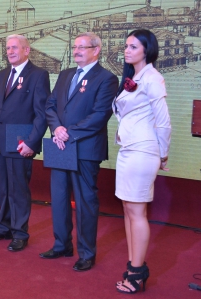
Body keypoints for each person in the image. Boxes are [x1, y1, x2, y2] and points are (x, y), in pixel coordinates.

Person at [41, 32, 118, 272]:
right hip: (60, 145)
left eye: (82, 47)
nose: (76, 51)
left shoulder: (107, 78)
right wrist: (57, 129)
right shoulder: (65, 74)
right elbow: (50, 105)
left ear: (96, 50)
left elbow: (100, 115)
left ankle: (86, 253)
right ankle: (61, 244)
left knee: (85, 202)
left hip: (85, 148)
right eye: (75, 47)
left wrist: (69, 133)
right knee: (59, 198)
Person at [114, 29, 170, 293]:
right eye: (126, 46)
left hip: (143, 150)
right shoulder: (133, 77)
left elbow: (163, 121)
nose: (127, 50)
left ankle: (137, 274)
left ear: (147, 50)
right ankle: (132, 267)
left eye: (133, 46)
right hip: (128, 150)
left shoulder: (153, 78)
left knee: (136, 212)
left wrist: (163, 154)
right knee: (128, 209)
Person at [0, 35, 50, 251]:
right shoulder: (3, 74)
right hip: (1, 140)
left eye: (14, 48)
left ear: (26, 50)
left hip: (21, 142)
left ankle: (20, 232)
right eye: (8, 48)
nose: (10, 51)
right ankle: (4, 226)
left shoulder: (38, 75)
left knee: (19, 189)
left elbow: (42, 114)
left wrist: (32, 142)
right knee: (3, 188)